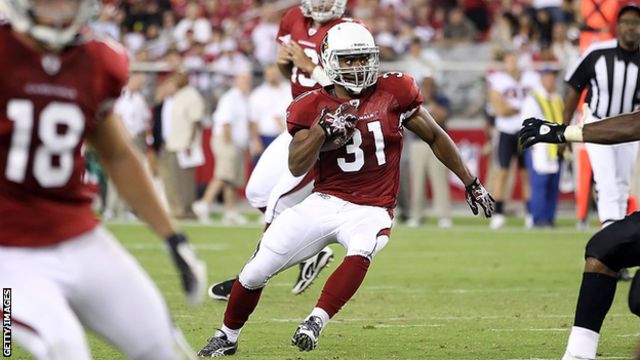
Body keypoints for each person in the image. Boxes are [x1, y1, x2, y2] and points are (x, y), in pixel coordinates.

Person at [197, 22, 494, 357]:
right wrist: (321, 131)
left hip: (372, 207)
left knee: (362, 247)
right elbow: (296, 165)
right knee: (254, 271)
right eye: (349, 59)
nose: (357, 66)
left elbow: (435, 135)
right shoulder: (309, 105)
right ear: (330, 62)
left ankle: (315, 320)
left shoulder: (395, 90)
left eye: (362, 58)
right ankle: (227, 335)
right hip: (324, 201)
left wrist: (471, 181)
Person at [0, 1, 207, 359]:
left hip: (78, 236)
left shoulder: (96, 60)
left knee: (161, 343)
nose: (59, 7)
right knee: (63, 347)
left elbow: (118, 154)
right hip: (8, 252)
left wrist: (173, 237)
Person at [208, 0, 352, 300]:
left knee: (276, 203)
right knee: (257, 192)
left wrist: (310, 66)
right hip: (299, 124)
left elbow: (350, 94)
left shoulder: (348, 31)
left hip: (325, 132)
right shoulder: (294, 18)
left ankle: (247, 279)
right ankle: (311, 248)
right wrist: (288, 64)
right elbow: (295, 76)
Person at [562, 3, 640, 228]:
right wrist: (564, 129)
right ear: (617, 25)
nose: (631, 28)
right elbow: (574, 88)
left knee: (622, 185)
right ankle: (611, 237)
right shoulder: (598, 53)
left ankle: (614, 237)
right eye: (626, 22)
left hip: (628, 129)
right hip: (598, 125)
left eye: (635, 22)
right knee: (606, 183)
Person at [486, 49, 541, 229]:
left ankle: (530, 213)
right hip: (505, 131)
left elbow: (539, 102)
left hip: (525, 131)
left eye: (514, 60)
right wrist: (523, 109)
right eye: (508, 61)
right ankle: (498, 212)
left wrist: (514, 108)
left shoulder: (531, 78)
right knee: (502, 172)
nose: (511, 64)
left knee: (526, 174)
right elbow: (500, 109)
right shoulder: (498, 79)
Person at [193, 73, 252, 225]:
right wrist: (230, 143)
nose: (247, 83)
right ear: (237, 82)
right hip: (226, 141)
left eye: (248, 81)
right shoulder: (230, 98)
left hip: (236, 143)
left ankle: (230, 211)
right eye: (244, 80)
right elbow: (225, 122)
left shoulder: (243, 99)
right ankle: (204, 204)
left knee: (230, 179)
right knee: (223, 175)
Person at [520, 66, 563, 227]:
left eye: (553, 77)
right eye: (549, 76)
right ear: (542, 79)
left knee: (553, 184)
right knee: (539, 184)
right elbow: (526, 123)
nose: (552, 80)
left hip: (556, 147)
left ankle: (549, 218)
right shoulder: (534, 98)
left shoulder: (557, 98)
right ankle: (538, 218)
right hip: (541, 147)